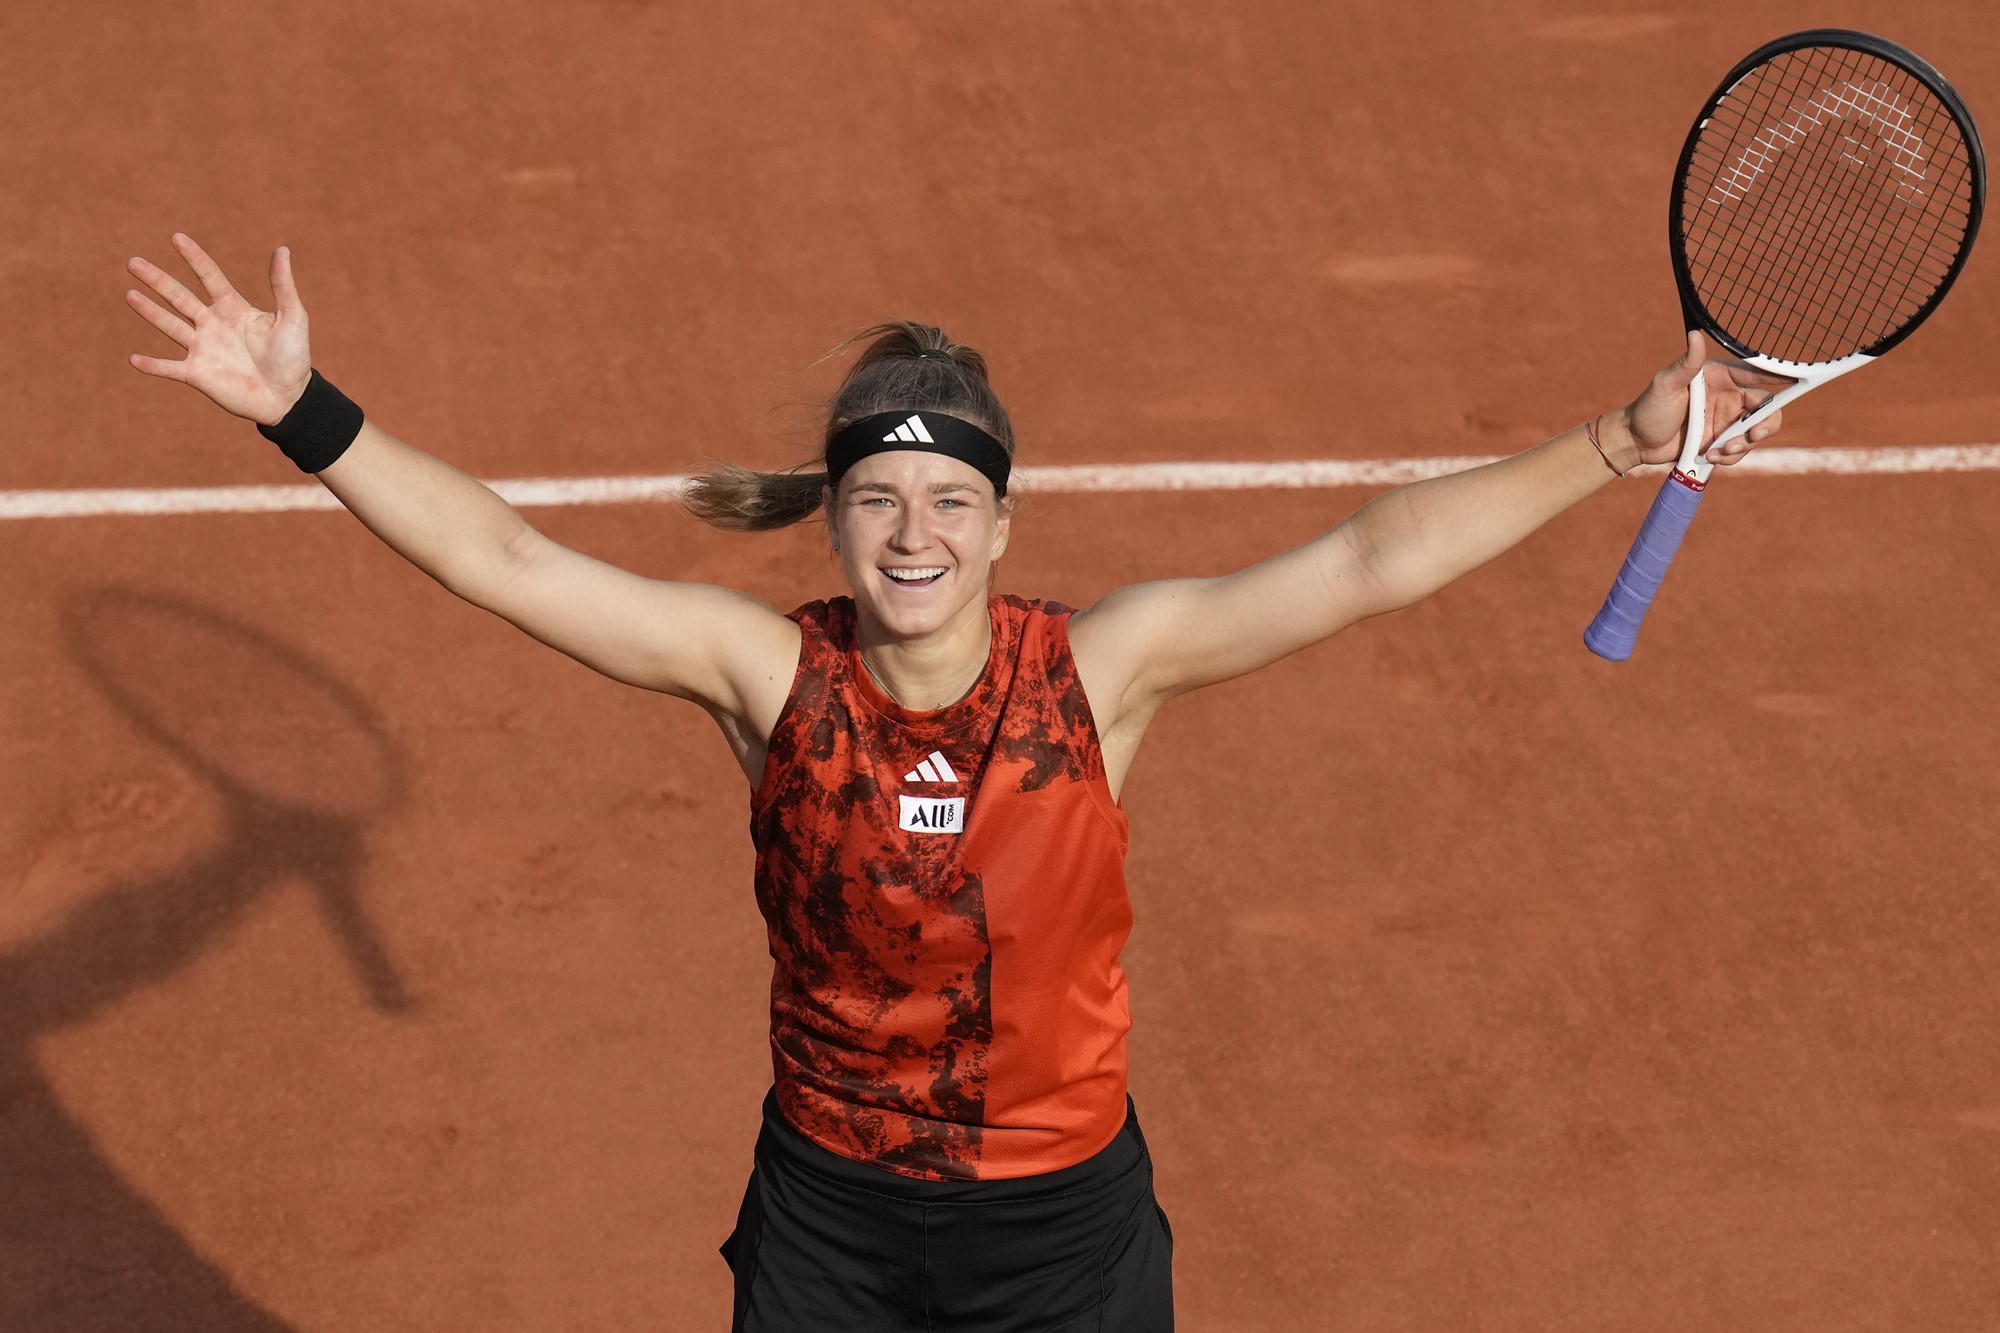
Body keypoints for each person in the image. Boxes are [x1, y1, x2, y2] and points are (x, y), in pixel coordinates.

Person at [124, 233, 1785, 1332]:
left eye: (946, 504)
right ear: (833, 520)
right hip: (832, 1229)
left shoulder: (1099, 676)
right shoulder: (770, 679)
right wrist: (304, 410)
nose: (912, 535)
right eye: (876, 502)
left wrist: (1621, 440)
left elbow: (1367, 556)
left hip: (1063, 1238)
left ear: (1002, 522)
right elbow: (504, 556)